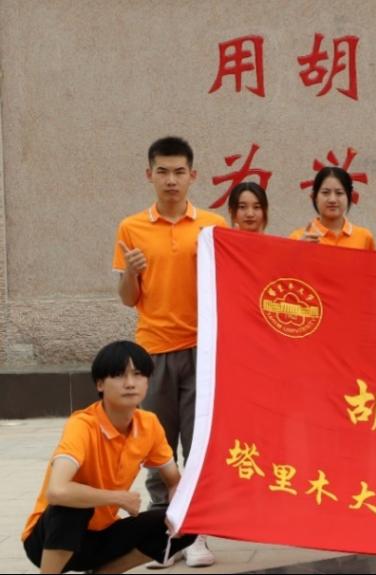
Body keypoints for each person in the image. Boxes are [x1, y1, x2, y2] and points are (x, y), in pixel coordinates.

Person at [111, 136, 223, 567]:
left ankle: (196, 534)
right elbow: (128, 298)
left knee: (198, 445)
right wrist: (131, 273)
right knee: (157, 446)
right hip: (152, 351)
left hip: (203, 351)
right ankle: (163, 533)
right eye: (163, 171)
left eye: (179, 172)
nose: (171, 180)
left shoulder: (212, 226)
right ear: (149, 175)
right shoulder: (131, 228)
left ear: (193, 175)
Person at [21, 341, 197, 574]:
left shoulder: (149, 424)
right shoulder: (82, 425)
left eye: (138, 374)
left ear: (148, 381)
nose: (130, 383)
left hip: (99, 536)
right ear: (100, 384)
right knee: (72, 506)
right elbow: (57, 491)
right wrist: (118, 498)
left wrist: (178, 513)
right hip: (46, 541)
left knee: (190, 521)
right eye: (119, 375)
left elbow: (174, 481)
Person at [290, 167, 376, 249]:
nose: (332, 199)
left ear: (349, 196)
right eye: (325, 192)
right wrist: (298, 250)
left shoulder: (364, 238)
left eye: (339, 193)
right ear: (314, 197)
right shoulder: (298, 237)